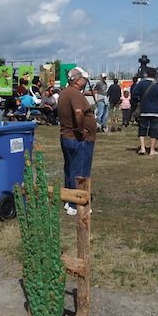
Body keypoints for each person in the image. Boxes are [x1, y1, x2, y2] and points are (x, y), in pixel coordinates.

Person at [58, 66, 96, 215]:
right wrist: (81, 130)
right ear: (78, 80)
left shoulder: (64, 93)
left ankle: (69, 200)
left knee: (70, 169)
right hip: (78, 139)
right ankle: (77, 204)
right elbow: (78, 112)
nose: (86, 82)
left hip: (67, 136)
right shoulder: (75, 94)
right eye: (84, 79)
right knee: (80, 171)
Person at [133, 67, 158, 156]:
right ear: (155, 75)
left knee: (142, 129)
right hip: (156, 110)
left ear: (147, 74)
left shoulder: (141, 84)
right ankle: (152, 150)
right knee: (154, 130)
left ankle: (142, 148)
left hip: (144, 109)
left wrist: (138, 100)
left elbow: (134, 94)